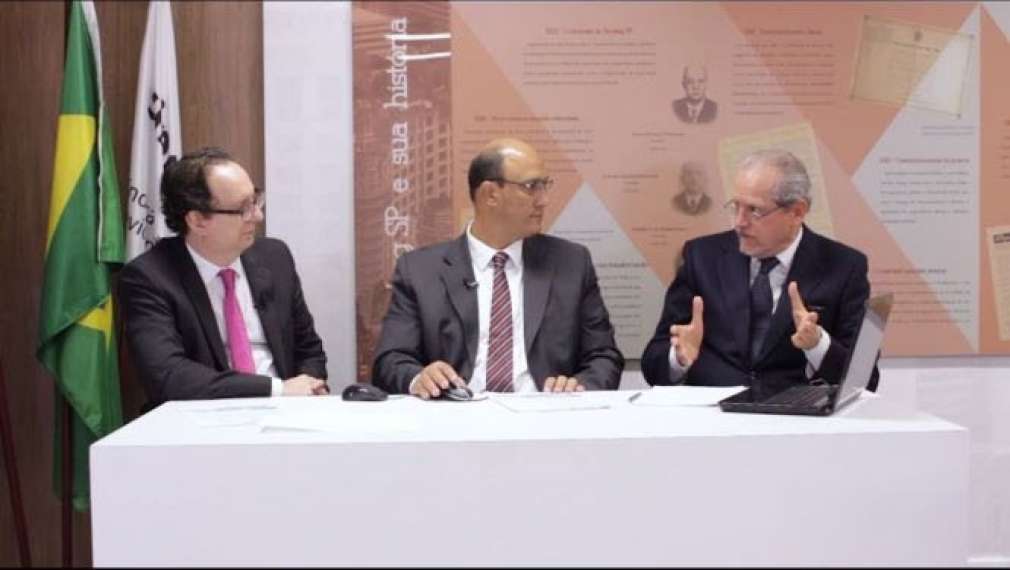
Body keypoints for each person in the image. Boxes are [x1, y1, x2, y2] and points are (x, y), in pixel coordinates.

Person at [372, 138, 624, 398]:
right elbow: (390, 360)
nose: (544, 200)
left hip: (546, 413)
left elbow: (603, 357)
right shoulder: (420, 271)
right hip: (455, 413)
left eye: (545, 186)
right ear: (490, 194)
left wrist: (579, 386)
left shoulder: (571, 263)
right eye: (532, 187)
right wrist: (419, 378)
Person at [641, 149, 878, 394]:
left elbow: (866, 380)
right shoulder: (701, 257)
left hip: (793, 414)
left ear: (797, 212)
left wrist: (818, 345)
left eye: (754, 210)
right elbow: (652, 364)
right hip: (712, 413)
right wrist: (678, 358)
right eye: (736, 206)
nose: (739, 222)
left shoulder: (844, 266)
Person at [119, 147, 328, 408]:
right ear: (197, 221)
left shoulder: (275, 258)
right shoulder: (148, 278)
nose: (258, 216)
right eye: (243, 208)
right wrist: (276, 389)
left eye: (256, 200)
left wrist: (308, 387)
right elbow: (169, 375)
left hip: (287, 415)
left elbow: (309, 349)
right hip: (201, 421)